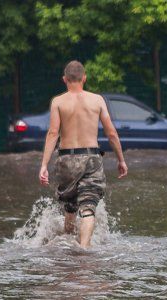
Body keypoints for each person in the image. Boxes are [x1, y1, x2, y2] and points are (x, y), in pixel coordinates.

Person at [38, 60, 127, 248]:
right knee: (88, 207)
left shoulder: (58, 102)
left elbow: (53, 133)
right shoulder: (97, 100)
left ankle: (68, 245)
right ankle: (84, 250)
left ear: (64, 79)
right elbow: (111, 133)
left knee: (69, 207)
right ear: (84, 78)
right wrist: (121, 160)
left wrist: (44, 165)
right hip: (91, 158)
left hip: (66, 159)